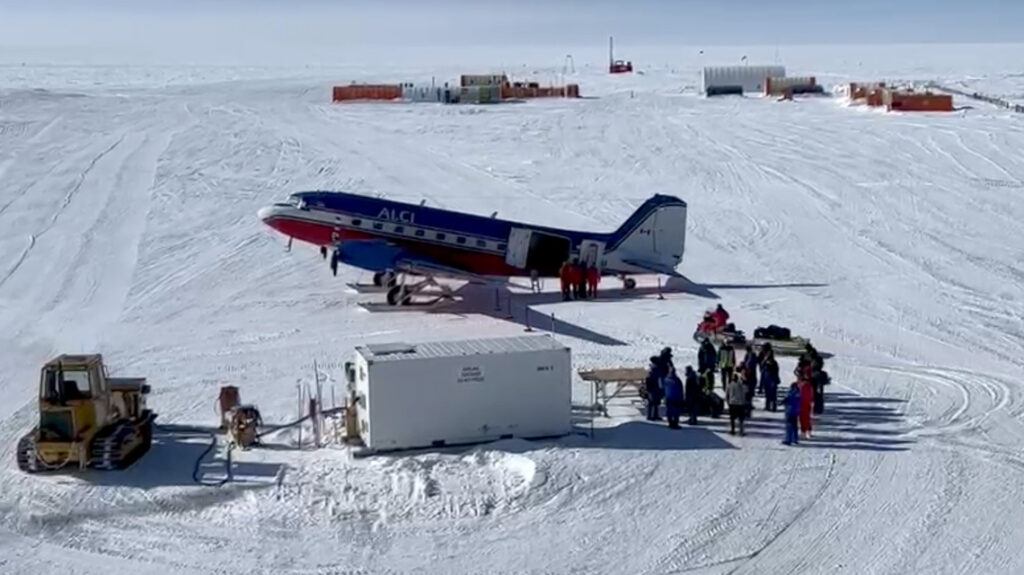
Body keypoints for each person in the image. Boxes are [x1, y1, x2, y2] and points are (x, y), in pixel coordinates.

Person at [644, 356, 665, 421]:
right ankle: (652, 415)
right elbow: (660, 379)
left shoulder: (651, 368)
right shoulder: (656, 369)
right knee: (654, 402)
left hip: (653, 387)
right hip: (655, 387)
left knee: (654, 402)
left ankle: (652, 415)